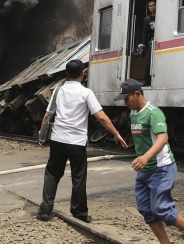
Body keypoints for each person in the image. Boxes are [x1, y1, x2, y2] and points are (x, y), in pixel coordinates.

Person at [37, 59, 128, 222]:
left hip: (57, 139)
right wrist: (116, 133)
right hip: (76, 142)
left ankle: (45, 210)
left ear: (66, 74)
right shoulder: (86, 93)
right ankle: (79, 212)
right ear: (82, 74)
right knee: (78, 176)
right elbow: (100, 116)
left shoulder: (58, 91)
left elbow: (48, 115)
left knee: (52, 173)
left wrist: (41, 135)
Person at [115, 79, 184, 244]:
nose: (125, 102)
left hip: (161, 167)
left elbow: (163, 138)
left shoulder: (153, 112)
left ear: (137, 94)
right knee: (146, 209)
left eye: (127, 98)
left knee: (161, 208)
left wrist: (145, 157)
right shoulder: (133, 113)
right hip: (144, 170)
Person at [138, 0, 157, 86]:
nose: (152, 7)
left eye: (154, 5)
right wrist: (143, 45)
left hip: (160, 41)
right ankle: (146, 81)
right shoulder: (147, 19)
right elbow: (145, 33)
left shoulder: (160, 16)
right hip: (151, 43)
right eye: (150, 6)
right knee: (149, 62)